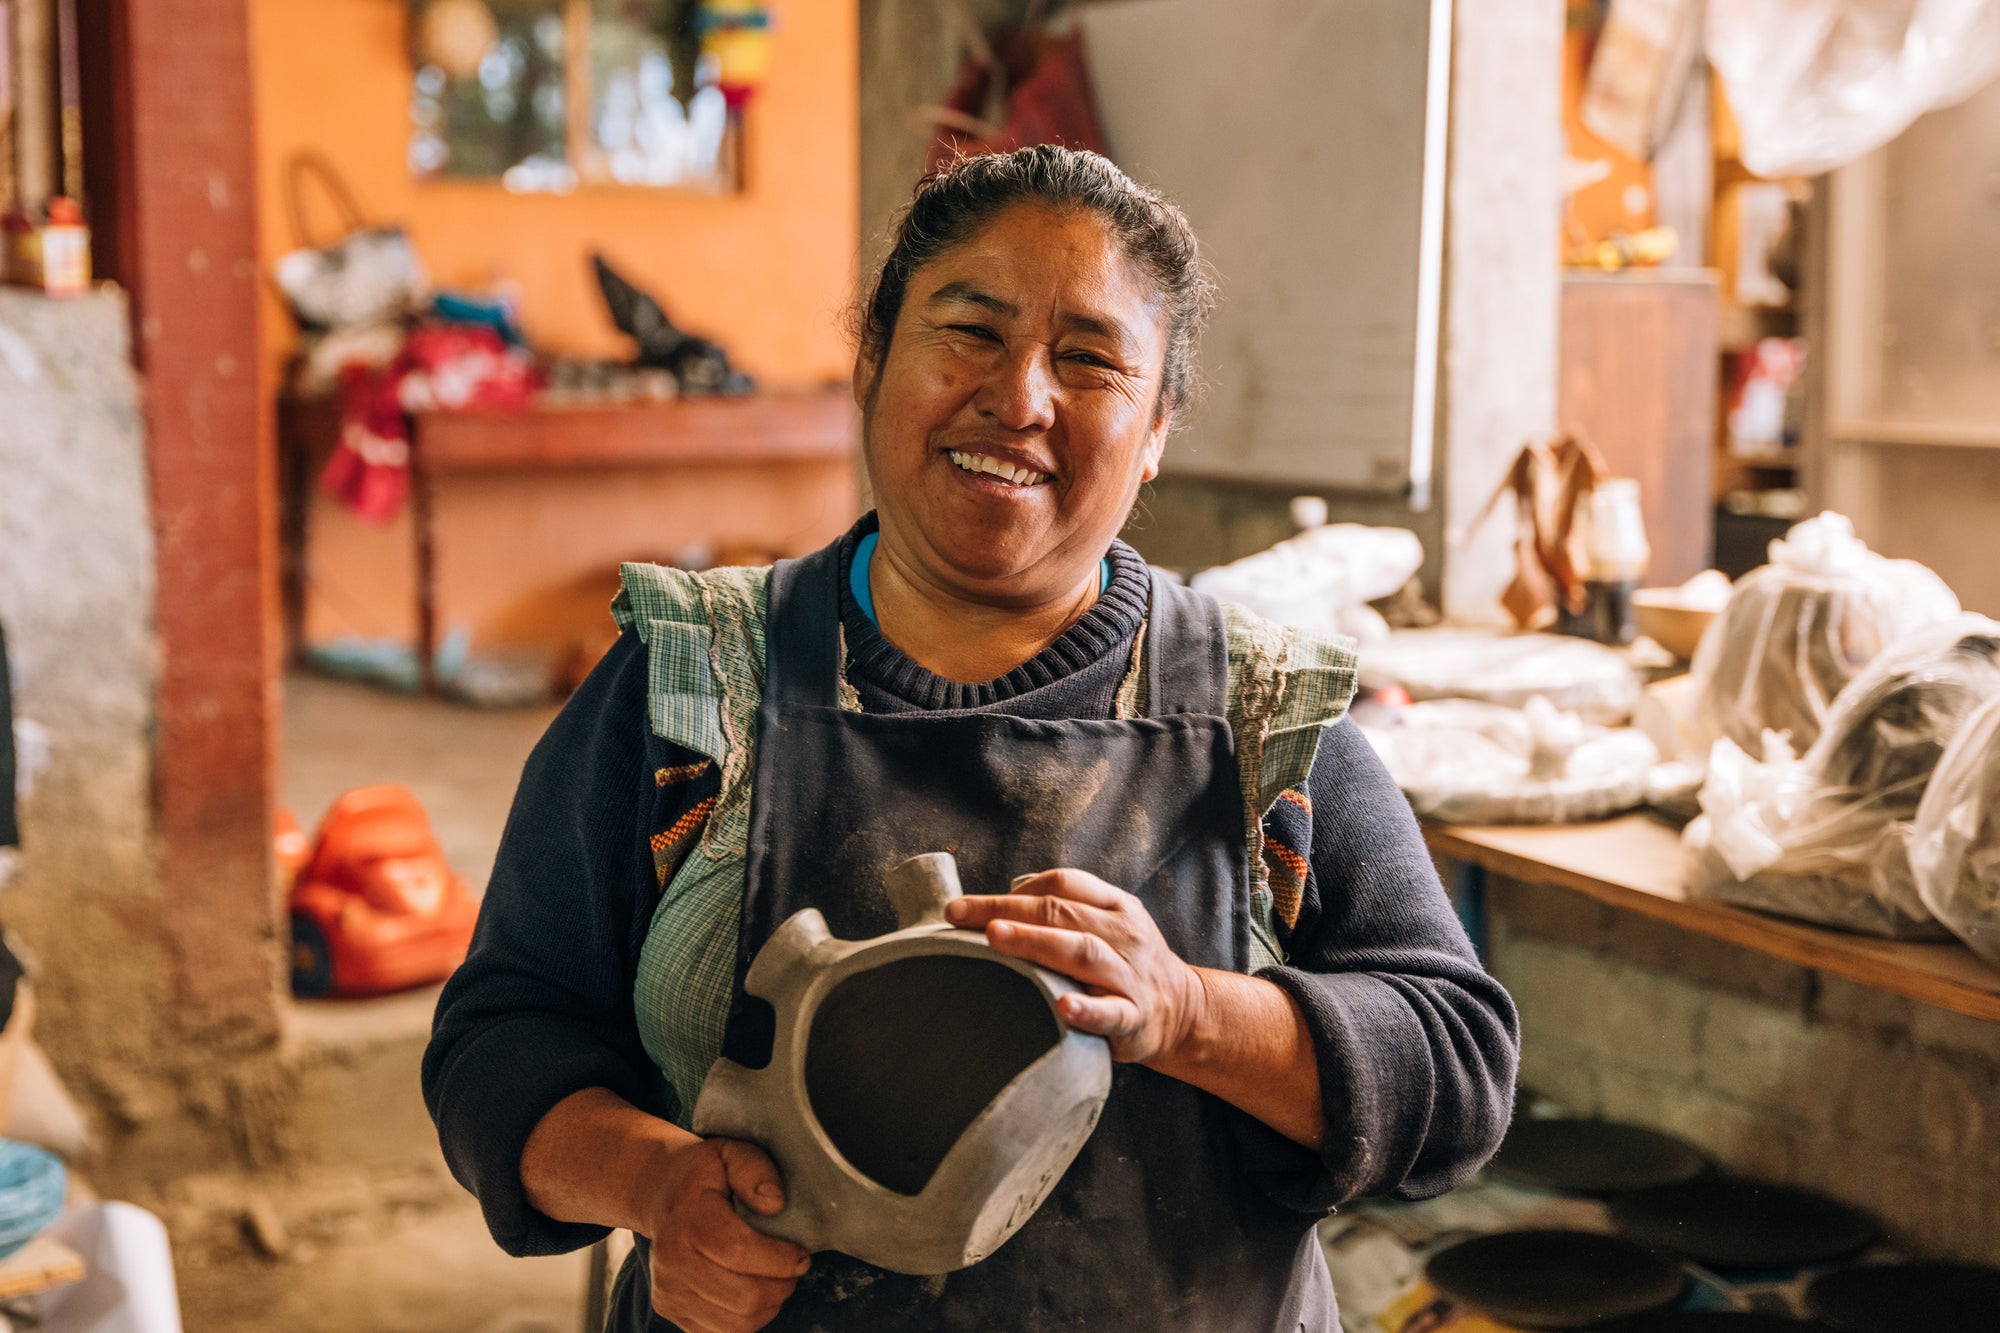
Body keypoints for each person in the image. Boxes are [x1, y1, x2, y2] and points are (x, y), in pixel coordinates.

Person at [424, 145, 1518, 1333]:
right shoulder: (693, 689)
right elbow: (499, 1043)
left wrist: (1189, 1013)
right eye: (970, 332)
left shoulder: (1261, 722)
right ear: (871, 362)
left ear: (1154, 434)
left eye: (1089, 360)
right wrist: (656, 1184)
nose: (1021, 398)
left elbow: (1456, 1073)